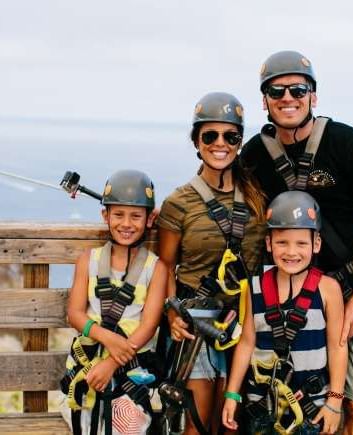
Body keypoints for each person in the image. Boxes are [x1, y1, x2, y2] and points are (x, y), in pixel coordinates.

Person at [240, 50, 353, 434]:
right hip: (295, 294)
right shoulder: (255, 156)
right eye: (276, 92)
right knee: (302, 403)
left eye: (298, 89)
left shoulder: (352, 145)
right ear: (264, 101)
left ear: (314, 96)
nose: (287, 98)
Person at [157, 92, 267, 434]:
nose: (220, 144)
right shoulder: (179, 202)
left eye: (230, 136)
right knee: (199, 423)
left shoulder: (256, 197)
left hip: (245, 322)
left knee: (233, 424)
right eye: (210, 136)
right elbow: (165, 265)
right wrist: (172, 313)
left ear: (239, 141)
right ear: (196, 141)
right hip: (197, 321)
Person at [222, 191, 347, 434]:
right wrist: (232, 393)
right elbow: (247, 343)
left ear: (316, 244)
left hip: (312, 407)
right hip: (263, 407)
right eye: (282, 242)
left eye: (301, 243)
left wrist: (335, 401)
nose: (291, 252)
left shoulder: (328, 289)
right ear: (269, 243)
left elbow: (337, 347)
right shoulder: (255, 288)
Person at [60, 169, 167, 435]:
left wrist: (111, 363)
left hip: (128, 371)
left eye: (135, 216)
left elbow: (149, 325)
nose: (126, 223)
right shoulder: (89, 260)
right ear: (105, 216)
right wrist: (107, 339)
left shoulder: (156, 269)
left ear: (149, 219)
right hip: (88, 368)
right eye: (118, 214)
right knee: (86, 423)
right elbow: (74, 314)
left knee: (127, 424)